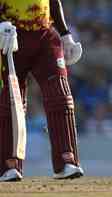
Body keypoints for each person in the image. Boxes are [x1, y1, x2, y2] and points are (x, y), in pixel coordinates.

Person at [0, 0, 83, 181]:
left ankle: (66, 160)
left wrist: (65, 34)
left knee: (60, 95)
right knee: (10, 100)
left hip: (45, 33)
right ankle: (8, 164)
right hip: (9, 33)